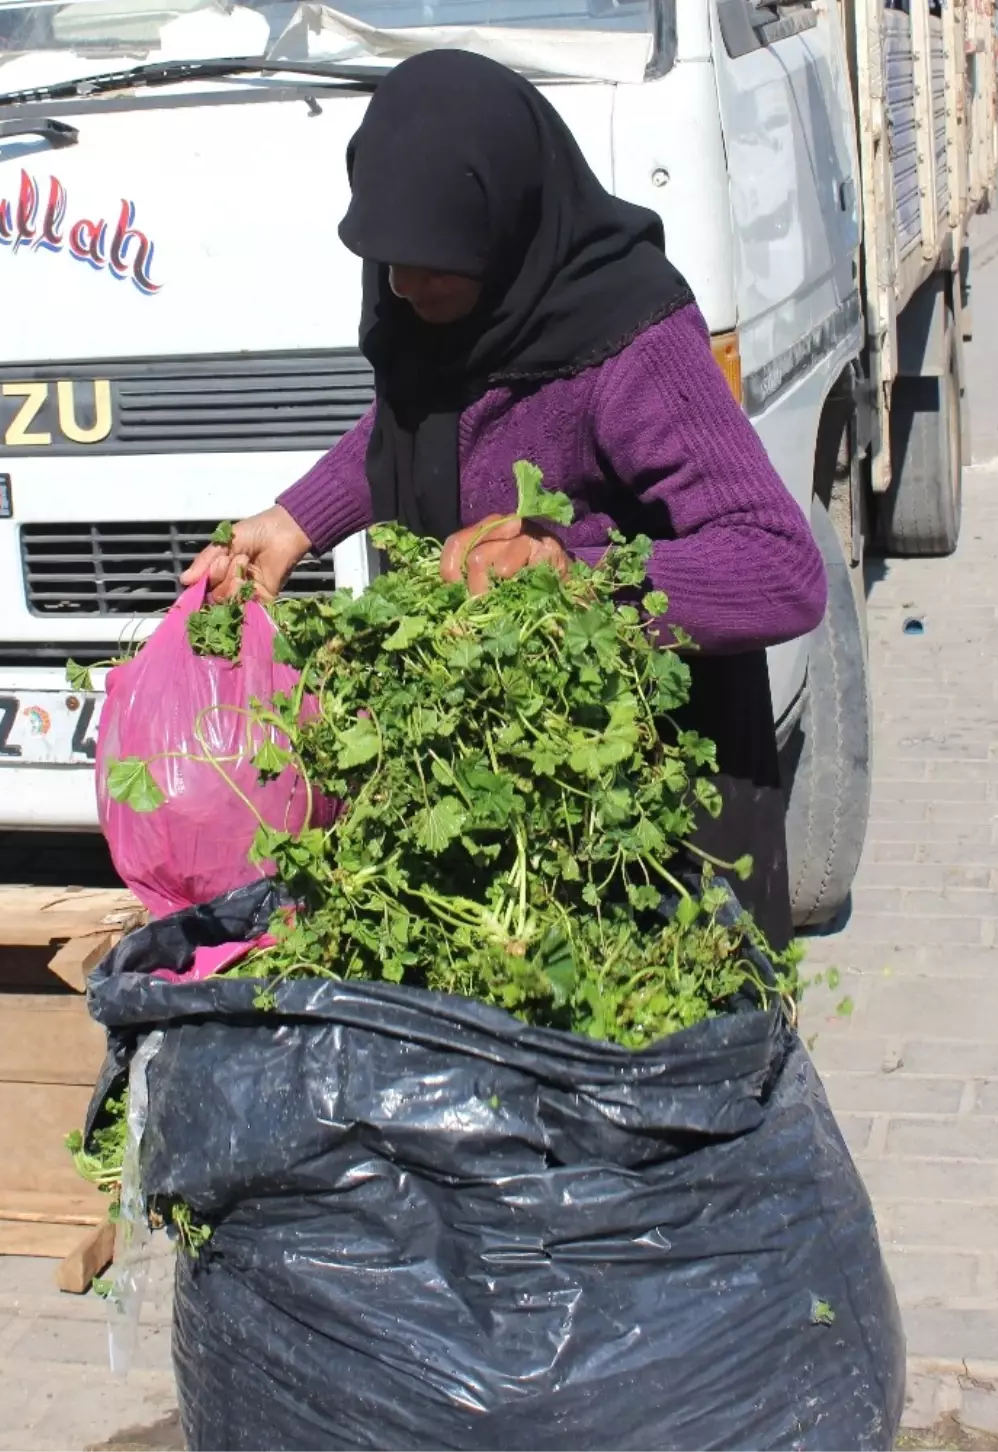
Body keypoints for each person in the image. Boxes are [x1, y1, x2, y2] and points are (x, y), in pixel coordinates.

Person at [183, 49, 826, 951]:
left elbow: (780, 568)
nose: (405, 285)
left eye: (433, 262)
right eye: (389, 259)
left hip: (644, 822)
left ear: (507, 223)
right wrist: (294, 523)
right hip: (479, 795)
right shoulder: (428, 308)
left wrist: (576, 576)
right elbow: (415, 422)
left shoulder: (631, 341)